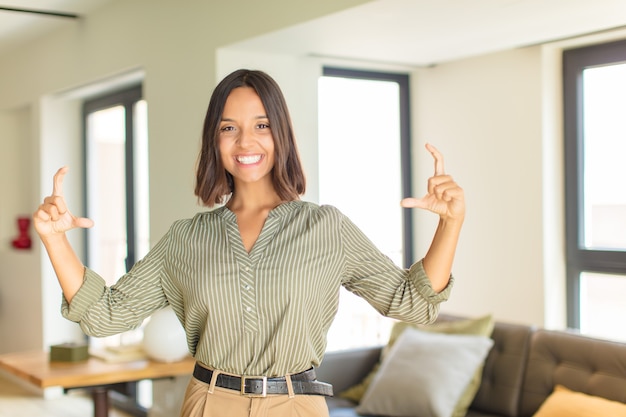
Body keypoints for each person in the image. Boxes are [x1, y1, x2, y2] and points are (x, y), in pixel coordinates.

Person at [33, 69, 465, 417]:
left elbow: (412, 303)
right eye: (229, 128)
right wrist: (54, 241)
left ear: (280, 133)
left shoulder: (327, 227)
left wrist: (451, 223)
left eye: (261, 125)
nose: (246, 142)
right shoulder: (186, 239)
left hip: (297, 405)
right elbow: (104, 315)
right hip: (209, 404)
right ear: (214, 140)